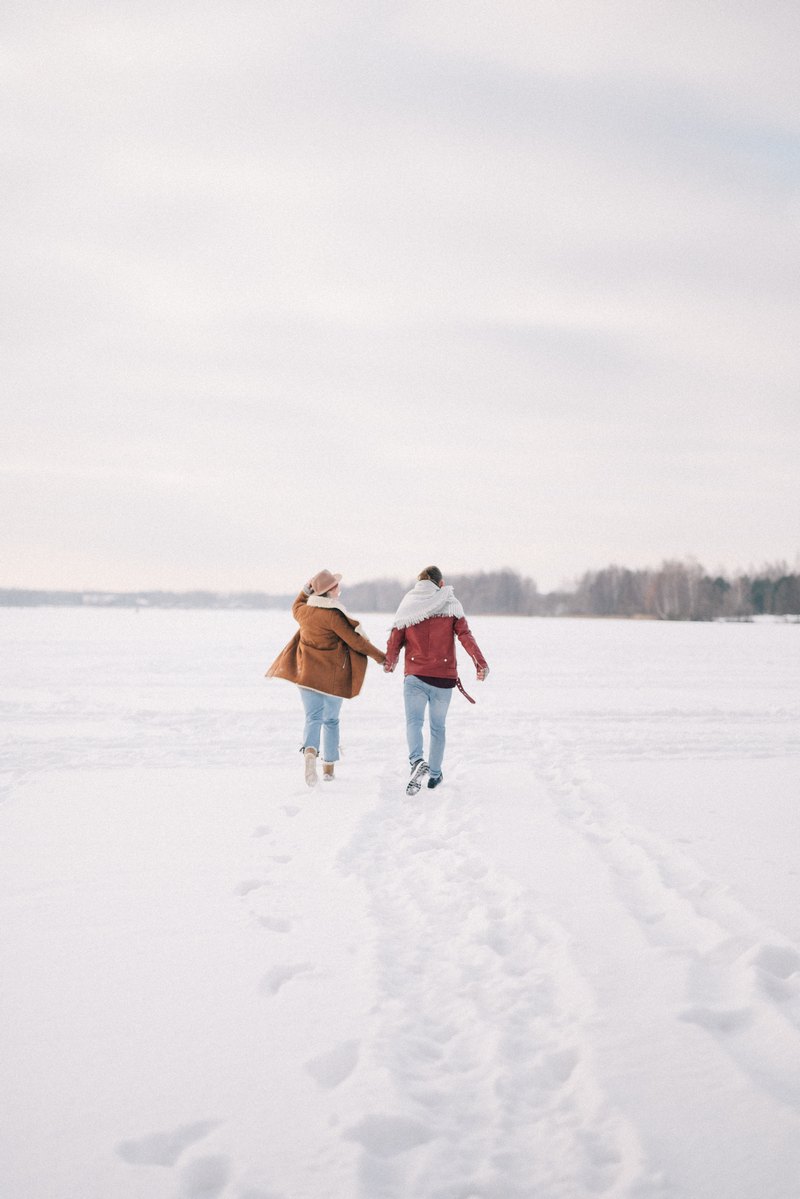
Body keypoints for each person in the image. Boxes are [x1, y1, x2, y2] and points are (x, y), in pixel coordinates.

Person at [266, 569, 386, 786]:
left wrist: (306, 589)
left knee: (313, 718)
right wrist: (381, 657)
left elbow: (296, 604)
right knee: (331, 720)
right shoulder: (333, 615)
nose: (339, 588)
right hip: (331, 678)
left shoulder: (303, 611)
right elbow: (356, 641)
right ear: (329, 591)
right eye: (335, 585)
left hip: (306, 676)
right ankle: (329, 768)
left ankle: (310, 753)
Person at [383, 566, 489, 795]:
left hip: (415, 675)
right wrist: (479, 662)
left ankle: (416, 761)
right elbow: (465, 636)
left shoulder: (409, 603)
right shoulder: (451, 603)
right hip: (443, 678)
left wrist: (390, 661)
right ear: (441, 584)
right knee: (437, 727)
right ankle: (434, 774)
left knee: (414, 722)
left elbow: (395, 636)